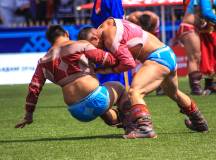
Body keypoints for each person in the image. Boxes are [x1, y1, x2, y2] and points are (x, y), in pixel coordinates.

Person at [78, 18, 209, 138]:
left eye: (93, 48)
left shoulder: (109, 36)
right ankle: (200, 122)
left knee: (135, 91)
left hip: (157, 57)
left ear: (95, 37)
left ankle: (145, 128)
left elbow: (129, 63)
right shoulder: (109, 22)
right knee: (174, 93)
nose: (95, 52)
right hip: (166, 53)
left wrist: (107, 70)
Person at [15, 25, 140, 138]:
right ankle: (131, 128)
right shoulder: (80, 45)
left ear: (50, 41)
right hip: (97, 97)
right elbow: (109, 60)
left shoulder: (43, 61)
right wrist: (123, 54)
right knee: (120, 88)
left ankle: (117, 120)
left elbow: (34, 88)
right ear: (67, 33)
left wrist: (28, 114)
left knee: (102, 107)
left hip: (77, 111)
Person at [176, 0, 216, 95]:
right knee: (194, 58)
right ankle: (195, 88)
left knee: (196, 58)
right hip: (189, 28)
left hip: (191, 28)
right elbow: (207, 13)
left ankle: (197, 87)